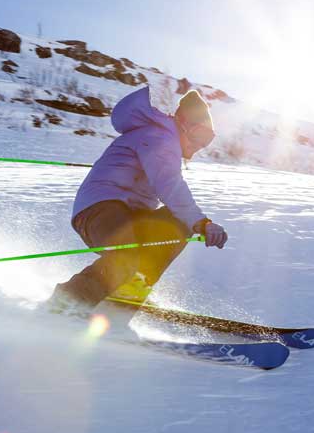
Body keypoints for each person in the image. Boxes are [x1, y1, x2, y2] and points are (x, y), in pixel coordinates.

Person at [47, 85, 228, 316]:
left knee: (176, 222)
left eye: (207, 141)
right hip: (99, 210)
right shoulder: (160, 137)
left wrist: (194, 222)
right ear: (183, 122)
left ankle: (125, 299)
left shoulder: (162, 138)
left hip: (128, 213)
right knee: (128, 253)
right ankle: (67, 303)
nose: (197, 148)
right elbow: (169, 185)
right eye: (200, 136)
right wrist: (202, 222)